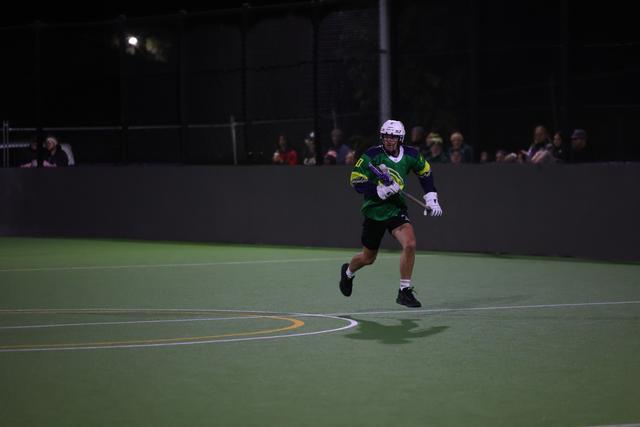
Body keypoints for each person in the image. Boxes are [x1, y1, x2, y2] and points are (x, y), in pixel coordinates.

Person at [340, 119, 444, 308]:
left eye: (393, 137)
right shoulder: (372, 155)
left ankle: (404, 291)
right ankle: (348, 272)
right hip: (375, 210)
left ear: (400, 139)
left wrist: (431, 197)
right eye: (386, 136)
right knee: (368, 258)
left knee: (410, 244)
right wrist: (378, 190)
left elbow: (425, 173)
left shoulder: (411, 155)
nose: (389, 140)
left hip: (396, 208)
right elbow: (355, 180)